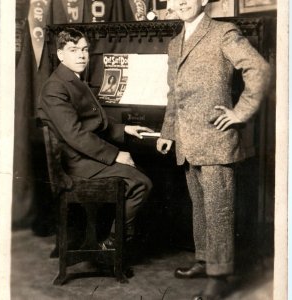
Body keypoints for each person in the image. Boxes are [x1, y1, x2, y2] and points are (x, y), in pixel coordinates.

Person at [156, 0, 271, 299]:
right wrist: (168, 131)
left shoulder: (223, 32)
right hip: (187, 141)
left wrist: (239, 112)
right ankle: (206, 260)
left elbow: (259, 69)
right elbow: (174, 93)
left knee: (219, 211)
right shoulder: (174, 43)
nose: (180, 2)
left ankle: (220, 276)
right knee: (201, 206)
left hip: (216, 140)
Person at [38, 28, 153, 253]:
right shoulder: (56, 87)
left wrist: (125, 128)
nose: (81, 55)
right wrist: (116, 154)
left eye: (84, 50)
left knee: (140, 174)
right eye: (73, 50)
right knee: (141, 183)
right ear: (61, 54)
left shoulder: (73, 79)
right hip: (76, 163)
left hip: (86, 157)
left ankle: (110, 239)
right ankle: (114, 243)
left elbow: (95, 122)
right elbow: (76, 135)